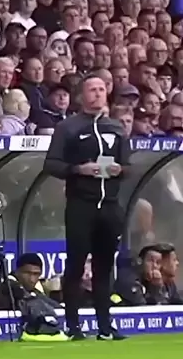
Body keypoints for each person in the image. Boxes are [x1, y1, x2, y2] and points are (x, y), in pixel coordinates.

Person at [43, 75, 131, 340]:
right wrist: (78, 169)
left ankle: (105, 326)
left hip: (110, 206)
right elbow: (51, 164)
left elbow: (129, 166)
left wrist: (119, 170)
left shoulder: (116, 127)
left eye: (102, 89)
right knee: (76, 264)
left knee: (104, 267)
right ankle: (74, 326)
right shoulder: (68, 127)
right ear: (82, 95)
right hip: (81, 204)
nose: (98, 93)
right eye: (92, 89)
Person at [0, 253, 67, 341]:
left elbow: (55, 306)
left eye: (36, 274)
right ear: (17, 272)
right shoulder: (6, 288)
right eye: (27, 273)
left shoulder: (35, 293)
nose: (32, 279)